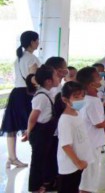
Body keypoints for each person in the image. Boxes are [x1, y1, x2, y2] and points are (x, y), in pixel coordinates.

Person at [1, 30, 40, 168]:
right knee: (34, 124)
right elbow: (33, 79)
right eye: (37, 40)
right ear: (32, 42)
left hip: (16, 93)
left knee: (11, 126)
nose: (38, 43)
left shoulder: (18, 58)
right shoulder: (32, 58)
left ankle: (12, 158)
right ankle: (38, 155)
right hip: (27, 94)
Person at [76, 66, 105, 193]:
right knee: (89, 178)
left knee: (89, 176)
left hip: (89, 142)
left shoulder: (88, 98)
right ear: (91, 84)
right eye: (98, 77)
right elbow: (98, 124)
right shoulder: (93, 101)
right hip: (92, 144)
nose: (101, 79)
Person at [25, 65, 61, 193]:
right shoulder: (41, 96)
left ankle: (45, 182)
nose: (58, 78)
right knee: (37, 161)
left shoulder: (48, 92)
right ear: (48, 81)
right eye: (56, 76)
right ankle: (34, 187)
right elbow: (32, 118)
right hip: (40, 133)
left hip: (46, 133)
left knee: (45, 159)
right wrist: (28, 132)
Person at [57, 81, 94, 193]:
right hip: (70, 165)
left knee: (75, 187)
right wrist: (78, 162)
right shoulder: (65, 120)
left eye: (82, 96)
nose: (81, 100)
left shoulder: (77, 113)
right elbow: (66, 145)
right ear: (65, 100)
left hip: (77, 165)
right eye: (76, 97)